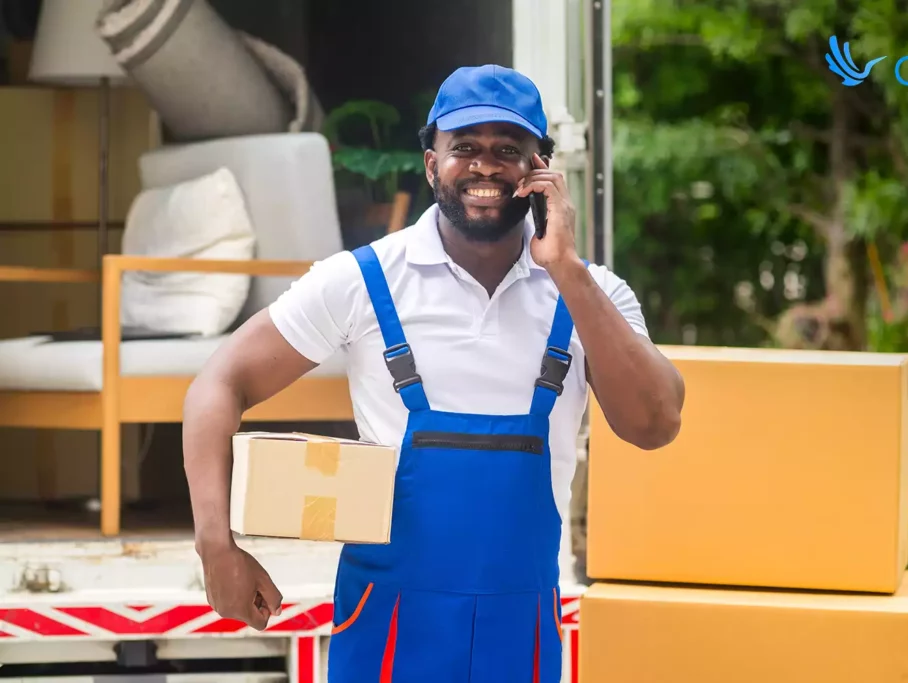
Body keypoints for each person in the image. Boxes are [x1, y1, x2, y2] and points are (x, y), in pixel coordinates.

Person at [183, 64, 684, 682]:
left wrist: (566, 269)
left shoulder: (590, 293)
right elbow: (217, 383)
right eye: (464, 147)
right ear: (431, 164)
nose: (485, 166)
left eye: (509, 150)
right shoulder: (363, 281)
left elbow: (655, 424)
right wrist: (216, 545)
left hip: (519, 634)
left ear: (541, 170)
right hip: (387, 629)